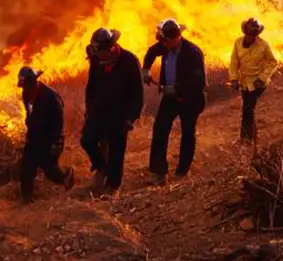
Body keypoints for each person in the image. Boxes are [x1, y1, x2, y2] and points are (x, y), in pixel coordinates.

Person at [142, 19, 207, 185]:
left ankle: (182, 171)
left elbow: (199, 81)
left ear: (174, 39)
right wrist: (146, 69)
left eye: (165, 41)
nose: (162, 44)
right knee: (160, 130)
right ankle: (158, 171)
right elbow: (151, 52)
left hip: (189, 99)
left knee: (187, 133)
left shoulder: (192, 52)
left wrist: (177, 88)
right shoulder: (165, 45)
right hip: (170, 98)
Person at [80, 28, 144, 193]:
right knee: (87, 140)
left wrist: (131, 118)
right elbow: (91, 86)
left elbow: (137, 93)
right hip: (99, 111)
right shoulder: (96, 60)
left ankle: (113, 186)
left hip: (119, 114)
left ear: (110, 49)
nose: (98, 56)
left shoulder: (129, 61)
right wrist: (89, 108)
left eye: (100, 52)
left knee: (117, 149)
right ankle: (101, 167)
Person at [17, 66, 74, 204]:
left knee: (51, 172)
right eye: (25, 87)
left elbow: (58, 122)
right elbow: (29, 112)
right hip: (34, 138)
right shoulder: (26, 94)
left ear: (35, 82)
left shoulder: (51, 98)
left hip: (49, 139)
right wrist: (29, 123)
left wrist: (55, 142)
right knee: (26, 168)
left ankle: (67, 174)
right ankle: (26, 199)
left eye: (29, 86)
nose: (27, 89)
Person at [229, 18, 278, 144]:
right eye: (250, 34)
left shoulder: (263, 45)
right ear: (245, 32)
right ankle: (251, 137)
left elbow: (273, 62)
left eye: (254, 34)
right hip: (245, 83)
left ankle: (246, 139)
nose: (252, 37)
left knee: (248, 109)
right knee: (248, 109)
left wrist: (262, 78)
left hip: (258, 84)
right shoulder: (238, 43)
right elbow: (234, 61)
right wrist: (233, 78)